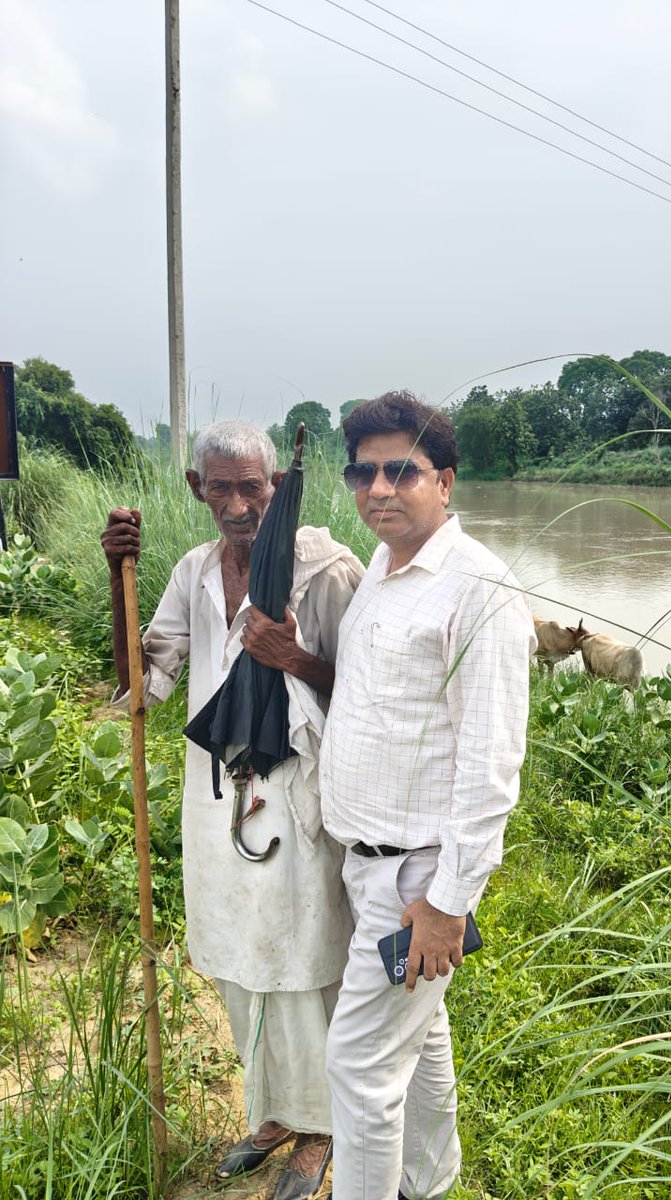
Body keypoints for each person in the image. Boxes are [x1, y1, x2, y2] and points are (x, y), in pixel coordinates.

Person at [101, 420, 364, 1200]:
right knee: (242, 960)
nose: (242, 504)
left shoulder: (326, 571)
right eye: (223, 487)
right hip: (215, 795)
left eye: (255, 486)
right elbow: (142, 682)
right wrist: (116, 571)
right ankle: (275, 1114)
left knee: (307, 957)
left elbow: (366, 692)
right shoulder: (191, 571)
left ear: (277, 485)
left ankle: (323, 1130)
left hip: (295, 793)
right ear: (198, 491)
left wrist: (296, 659)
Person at [319, 393, 536, 1200]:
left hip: (415, 879)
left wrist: (447, 905)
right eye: (364, 471)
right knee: (424, 1037)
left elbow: (490, 770)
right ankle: (430, 1181)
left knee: (361, 1063)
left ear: (443, 481)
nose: (379, 487)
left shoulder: (478, 589)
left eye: (400, 470)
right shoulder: (381, 567)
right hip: (366, 859)